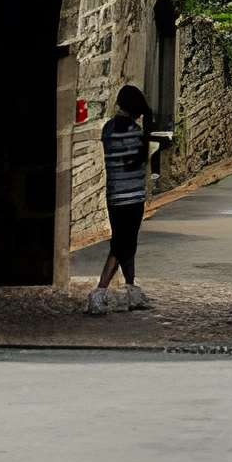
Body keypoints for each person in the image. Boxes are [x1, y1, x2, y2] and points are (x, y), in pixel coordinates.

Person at [87, 84, 160, 313]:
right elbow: (139, 162)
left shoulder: (108, 129)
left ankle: (132, 290)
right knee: (122, 246)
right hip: (133, 197)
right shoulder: (137, 133)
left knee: (126, 244)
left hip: (114, 195)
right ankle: (99, 292)